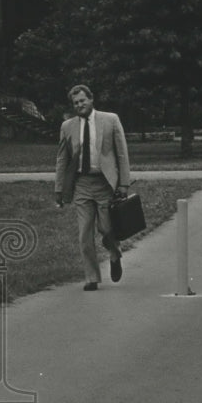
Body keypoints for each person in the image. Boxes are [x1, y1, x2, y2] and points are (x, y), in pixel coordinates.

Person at [54, 84, 131, 291]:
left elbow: (122, 153)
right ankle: (92, 277)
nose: (80, 105)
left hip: (105, 183)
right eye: (76, 103)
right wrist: (59, 188)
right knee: (84, 234)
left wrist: (123, 183)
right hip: (81, 184)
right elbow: (62, 159)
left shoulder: (110, 120)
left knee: (106, 229)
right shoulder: (67, 126)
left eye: (82, 100)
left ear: (91, 99)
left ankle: (115, 254)